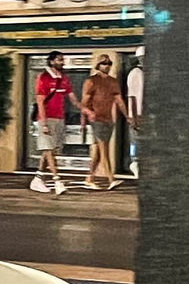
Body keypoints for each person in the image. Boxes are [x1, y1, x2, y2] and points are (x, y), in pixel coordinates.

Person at [80, 54, 128, 190]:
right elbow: (84, 103)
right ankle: (111, 179)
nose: (106, 66)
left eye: (108, 63)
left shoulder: (113, 82)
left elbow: (119, 100)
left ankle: (89, 178)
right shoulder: (91, 81)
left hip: (108, 119)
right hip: (96, 119)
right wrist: (83, 120)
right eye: (103, 63)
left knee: (99, 152)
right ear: (98, 65)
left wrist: (127, 116)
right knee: (104, 149)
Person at [29, 52, 73, 195]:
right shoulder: (43, 77)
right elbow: (40, 101)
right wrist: (43, 122)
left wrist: (84, 109)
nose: (62, 62)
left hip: (59, 118)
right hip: (45, 118)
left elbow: (72, 97)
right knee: (48, 149)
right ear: (52, 61)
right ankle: (57, 181)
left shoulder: (63, 78)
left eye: (63, 59)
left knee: (50, 150)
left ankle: (37, 179)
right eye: (60, 60)